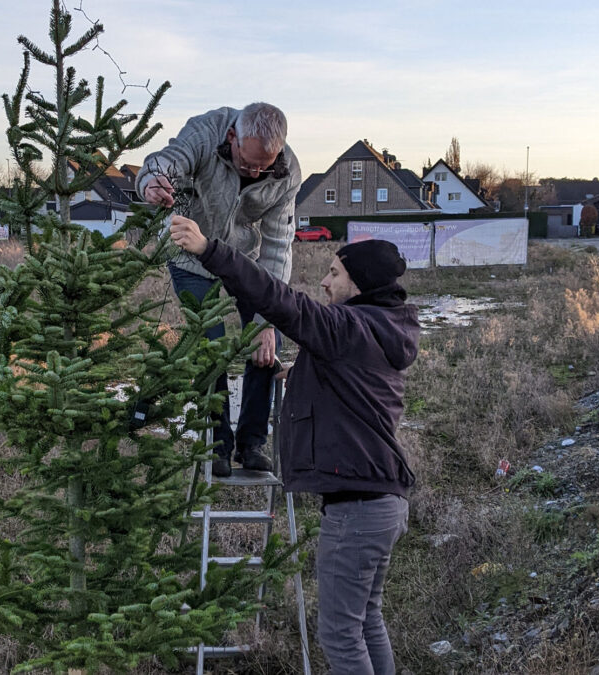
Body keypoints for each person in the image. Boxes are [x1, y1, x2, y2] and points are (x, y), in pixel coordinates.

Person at [169, 216, 419, 675]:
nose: (324, 282)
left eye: (334, 273)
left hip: (356, 510)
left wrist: (210, 250)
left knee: (340, 635)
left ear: (360, 285)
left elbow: (278, 299)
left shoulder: (345, 327)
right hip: (384, 502)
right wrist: (299, 374)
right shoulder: (384, 328)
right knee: (367, 620)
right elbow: (354, 387)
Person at [137, 102, 302, 477]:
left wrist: (264, 321)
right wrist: (153, 181)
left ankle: (252, 442)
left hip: (243, 260)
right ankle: (217, 444)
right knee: (210, 347)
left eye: (266, 163)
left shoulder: (287, 172)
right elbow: (167, 160)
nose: (257, 171)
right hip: (189, 257)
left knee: (264, 339)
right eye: (249, 163)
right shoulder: (204, 132)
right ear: (232, 138)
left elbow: (278, 246)